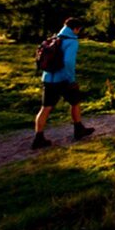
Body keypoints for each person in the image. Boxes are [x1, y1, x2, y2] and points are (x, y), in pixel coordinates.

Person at [31, 17, 94, 149]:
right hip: (63, 79)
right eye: (79, 30)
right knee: (75, 102)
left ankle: (38, 137)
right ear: (75, 29)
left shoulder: (54, 39)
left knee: (45, 107)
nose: (78, 32)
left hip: (48, 78)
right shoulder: (72, 42)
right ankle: (78, 129)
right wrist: (71, 80)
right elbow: (68, 62)